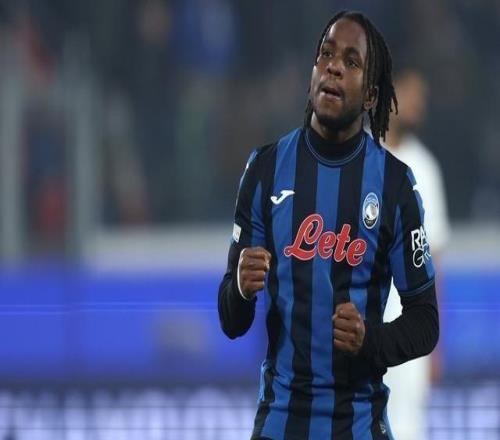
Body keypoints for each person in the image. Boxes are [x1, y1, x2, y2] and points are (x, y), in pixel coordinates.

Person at [218, 10, 439, 440]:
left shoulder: (394, 185)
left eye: (351, 61)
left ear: (370, 96)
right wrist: (241, 288)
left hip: (359, 425)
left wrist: (370, 342)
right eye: (326, 54)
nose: (334, 66)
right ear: (313, 72)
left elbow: (425, 321)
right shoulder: (265, 170)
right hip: (280, 423)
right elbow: (232, 319)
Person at [382, 69, 450, 440]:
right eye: (411, 94)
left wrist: (435, 344)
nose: (418, 106)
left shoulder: (424, 168)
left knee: (407, 429)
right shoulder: (354, 156)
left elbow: (434, 261)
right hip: (357, 328)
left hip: (409, 328)